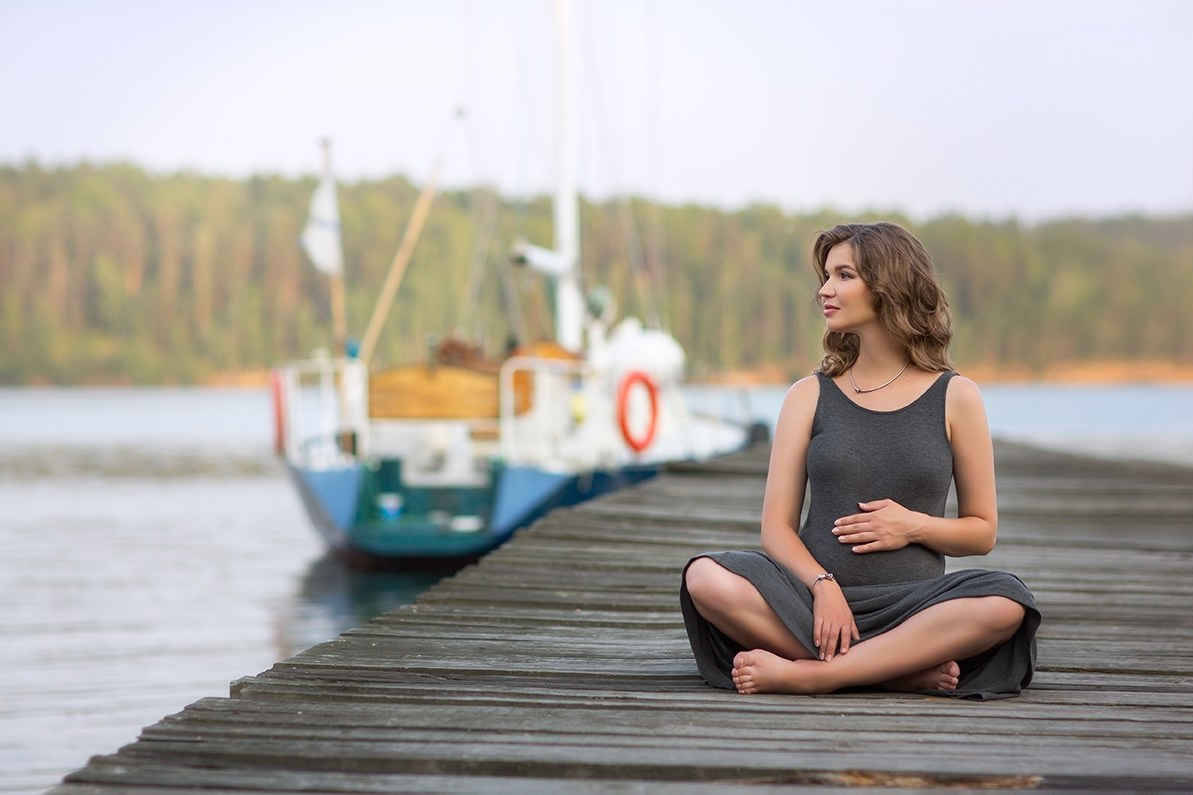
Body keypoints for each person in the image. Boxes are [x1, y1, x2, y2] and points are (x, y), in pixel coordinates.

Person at [680, 221, 1040, 699]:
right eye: (826, 276)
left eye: (843, 276)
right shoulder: (807, 396)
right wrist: (823, 585)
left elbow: (982, 531)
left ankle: (816, 674)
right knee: (705, 577)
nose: (825, 291)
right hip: (806, 602)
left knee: (1006, 602)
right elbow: (776, 529)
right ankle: (894, 672)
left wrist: (913, 526)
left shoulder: (957, 396)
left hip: (914, 609)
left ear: (889, 287)